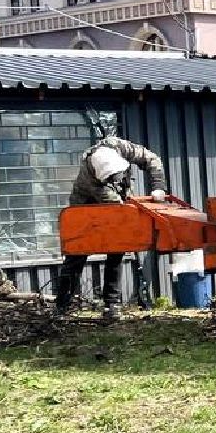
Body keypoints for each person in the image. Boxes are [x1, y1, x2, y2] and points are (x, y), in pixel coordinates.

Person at [55, 136, 168, 321]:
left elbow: (153, 159)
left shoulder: (119, 146)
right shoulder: (91, 178)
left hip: (115, 202)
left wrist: (158, 187)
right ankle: (63, 306)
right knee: (75, 256)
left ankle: (111, 305)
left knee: (116, 252)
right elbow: (116, 206)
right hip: (84, 210)